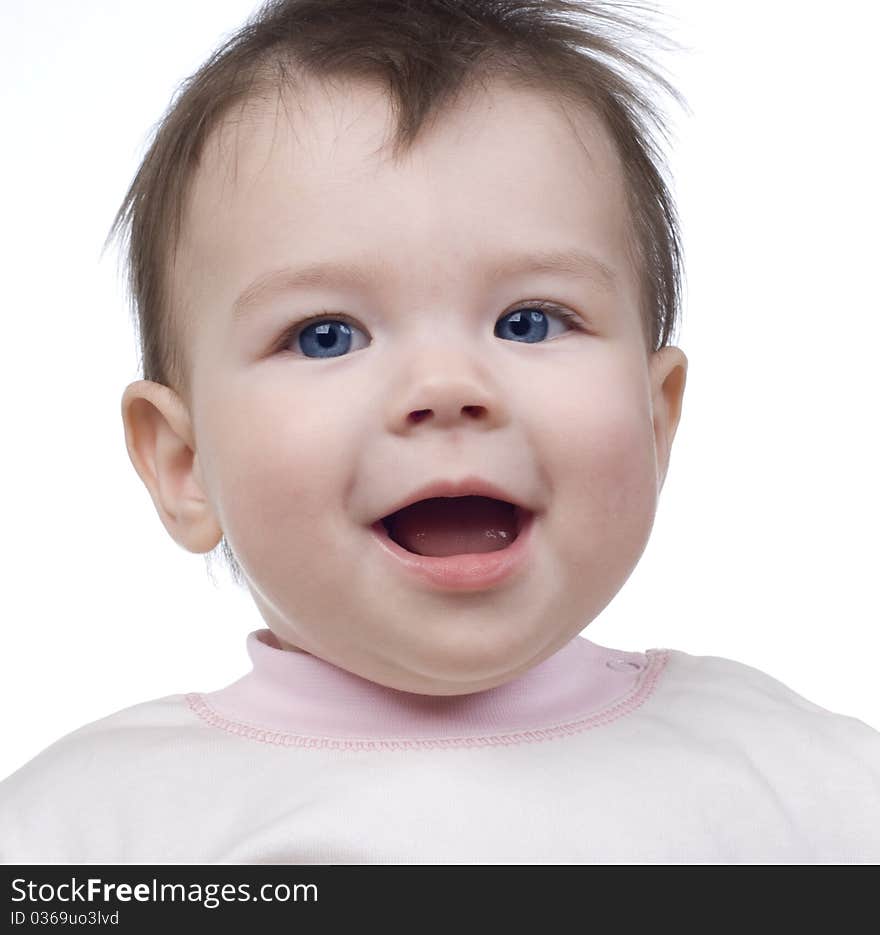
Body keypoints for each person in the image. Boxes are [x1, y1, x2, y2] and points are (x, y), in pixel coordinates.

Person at [1, 0, 878, 864]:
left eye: (530, 321)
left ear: (655, 423)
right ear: (184, 464)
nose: (447, 388)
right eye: (326, 335)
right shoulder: (90, 834)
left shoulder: (810, 787)